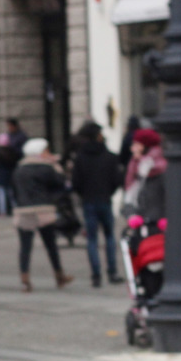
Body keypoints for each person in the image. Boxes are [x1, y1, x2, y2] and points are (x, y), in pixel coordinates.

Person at [11, 138, 74, 292]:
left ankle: (24, 279)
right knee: (51, 245)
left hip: (24, 210)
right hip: (43, 209)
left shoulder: (19, 169)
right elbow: (60, 183)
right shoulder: (46, 168)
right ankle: (59, 276)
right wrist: (56, 165)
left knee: (25, 247)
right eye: (46, 150)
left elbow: (14, 190)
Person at [70, 121, 125, 287]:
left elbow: (76, 182)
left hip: (89, 201)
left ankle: (96, 274)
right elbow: (117, 180)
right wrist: (109, 192)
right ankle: (112, 271)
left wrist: (84, 194)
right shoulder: (110, 156)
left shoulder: (80, 157)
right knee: (109, 237)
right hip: (104, 200)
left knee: (92, 239)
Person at [123, 127, 167, 222]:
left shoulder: (162, 170)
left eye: (135, 144)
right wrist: (131, 216)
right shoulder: (135, 166)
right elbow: (129, 198)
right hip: (141, 226)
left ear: (145, 146)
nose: (132, 148)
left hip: (159, 227)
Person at [0, 132, 19, 215]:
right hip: (10, 175)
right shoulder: (11, 151)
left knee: (1, 194)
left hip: (0, 175)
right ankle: (15, 208)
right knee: (11, 193)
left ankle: (2, 211)